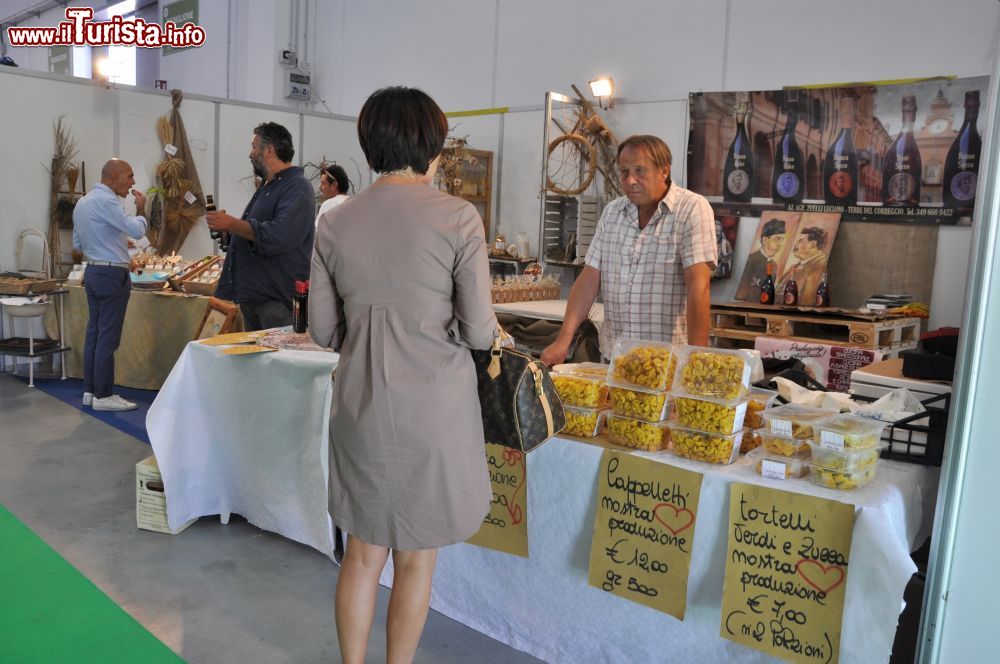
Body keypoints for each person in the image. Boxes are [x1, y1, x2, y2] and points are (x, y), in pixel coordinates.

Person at [309, 86, 497, 664]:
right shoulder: (458, 216)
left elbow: (320, 330)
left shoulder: (335, 220)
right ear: (433, 146)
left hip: (361, 403)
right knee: (417, 558)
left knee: (362, 555)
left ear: (369, 145)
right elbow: (481, 333)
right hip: (435, 410)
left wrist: (367, 336)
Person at [540, 134, 717, 365]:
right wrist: (563, 340)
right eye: (624, 172)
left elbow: (699, 287)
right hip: (615, 359)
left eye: (640, 171)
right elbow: (589, 279)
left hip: (667, 364)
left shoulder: (691, 209)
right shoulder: (613, 212)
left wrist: (696, 359)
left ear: (663, 171)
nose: (630, 180)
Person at [208, 122, 315, 331]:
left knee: (277, 361)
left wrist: (233, 223)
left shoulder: (298, 187)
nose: (250, 154)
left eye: (253, 147)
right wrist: (231, 233)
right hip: (256, 297)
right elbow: (255, 234)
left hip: (275, 300)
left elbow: (279, 236)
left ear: (268, 150)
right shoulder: (269, 186)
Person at [72, 159, 148, 411]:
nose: (133, 182)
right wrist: (141, 209)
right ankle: (104, 396)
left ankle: (90, 390)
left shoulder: (83, 202)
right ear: (114, 177)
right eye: (130, 175)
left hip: (93, 271)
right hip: (111, 275)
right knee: (108, 337)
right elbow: (136, 231)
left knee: (94, 333)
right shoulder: (107, 201)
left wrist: (110, 241)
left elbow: (78, 244)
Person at [735, 217, 786, 300]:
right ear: (765, 240)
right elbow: (742, 293)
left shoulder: (774, 265)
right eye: (777, 239)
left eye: (782, 240)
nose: (780, 244)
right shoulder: (750, 260)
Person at [778, 226, 829, 306]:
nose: (795, 244)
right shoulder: (797, 265)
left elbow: (807, 303)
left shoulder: (819, 267)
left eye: (800, 241)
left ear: (812, 244)